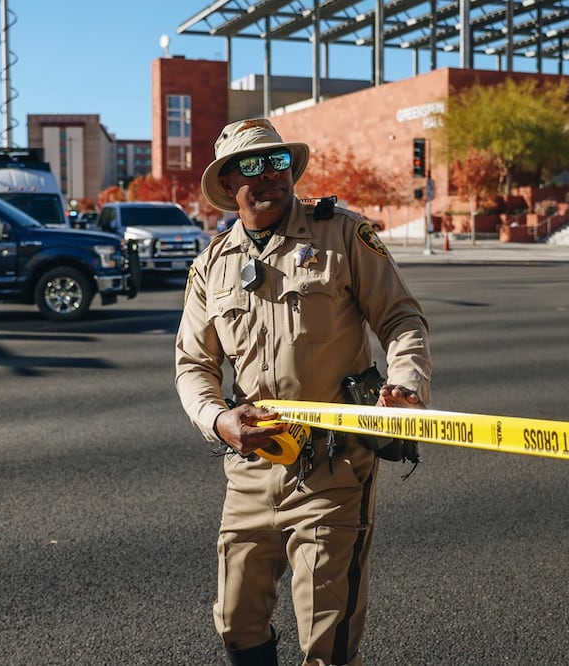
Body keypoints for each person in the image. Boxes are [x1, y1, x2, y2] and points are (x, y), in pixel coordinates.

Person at [174, 117, 432, 666]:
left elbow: (402, 321)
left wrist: (405, 384)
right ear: (227, 185)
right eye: (251, 166)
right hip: (252, 463)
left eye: (277, 161)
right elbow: (193, 364)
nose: (269, 174)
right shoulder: (212, 265)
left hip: (334, 465)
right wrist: (219, 420)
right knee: (236, 621)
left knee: (325, 636)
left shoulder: (342, 233)